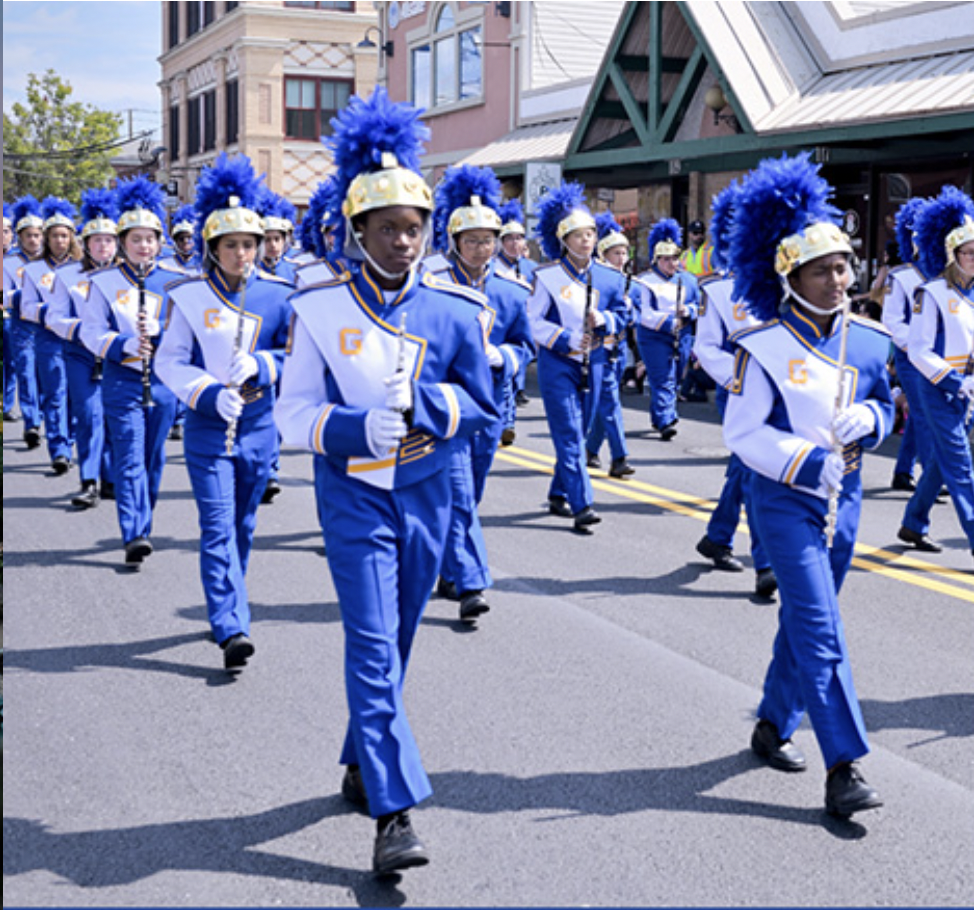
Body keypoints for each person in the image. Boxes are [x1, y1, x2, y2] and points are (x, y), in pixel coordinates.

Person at [274, 87, 498, 875]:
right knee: (371, 644)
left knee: (397, 640)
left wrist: (435, 408)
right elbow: (289, 415)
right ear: (356, 231)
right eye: (389, 228)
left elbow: (486, 403)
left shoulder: (457, 308)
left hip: (429, 490)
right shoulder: (318, 307)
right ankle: (394, 812)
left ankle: (358, 757)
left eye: (416, 228)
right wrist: (347, 428)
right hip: (353, 495)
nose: (406, 242)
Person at [723, 153, 893, 818]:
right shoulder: (762, 346)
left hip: (844, 500)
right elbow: (743, 433)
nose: (837, 279)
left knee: (804, 618)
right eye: (821, 270)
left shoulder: (871, 342)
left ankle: (771, 722)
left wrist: (874, 419)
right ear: (789, 276)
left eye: (844, 266)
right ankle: (844, 765)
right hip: (786, 499)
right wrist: (803, 460)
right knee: (822, 626)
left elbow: (885, 407)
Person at [155, 154, 293, 671]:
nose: (242, 253)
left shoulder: (279, 295)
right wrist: (208, 392)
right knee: (215, 526)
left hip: (259, 425)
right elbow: (169, 360)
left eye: (249, 244)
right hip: (210, 427)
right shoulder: (188, 295)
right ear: (213, 249)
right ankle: (231, 625)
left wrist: (262, 363)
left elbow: (297, 354)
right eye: (231, 245)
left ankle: (229, 595)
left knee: (243, 524)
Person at [430, 164, 535, 621]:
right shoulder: (431, 281)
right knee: (455, 489)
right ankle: (472, 581)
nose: (480, 248)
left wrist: (504, 359)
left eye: (487, 240)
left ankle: (449, 565)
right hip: (446, 402)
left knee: (470, 490)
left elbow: (525, 345)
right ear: (454, 242)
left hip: (490, 401)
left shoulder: (511, 292)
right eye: (470, 240)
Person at [80, 177, 182, 568]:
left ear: (159, 241)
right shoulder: (104, 282)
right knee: (128, 457)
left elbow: (191, 334)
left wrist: (163, 333)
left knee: (153, 459)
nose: (143, 246)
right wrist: (123, 344)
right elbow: (91, 331)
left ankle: (145, 521)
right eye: (135, 239)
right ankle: (133, 532)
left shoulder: (175, 280)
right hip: (123, 380)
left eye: (150, 238)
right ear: (123, 242)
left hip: (163, 380)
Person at [528, 182, 629, 532]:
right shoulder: (547, 276)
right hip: (559, 363)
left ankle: (558, 491)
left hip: (597, 361)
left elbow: (624, 313)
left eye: (590, 234)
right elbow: (533, 321)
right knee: (569, 433)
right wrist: (565, 339)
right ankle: (582, 503)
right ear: (564, 240)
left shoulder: (611, 277)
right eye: (578, 235)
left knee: (581, 430)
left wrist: (606, 320)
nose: (586, 240)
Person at [691, 180, 776, 598]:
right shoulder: (717, 289)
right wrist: (737, 376)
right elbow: (704, 346)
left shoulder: (784, 283)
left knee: (747, 470)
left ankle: (718, 536)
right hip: (741, 391)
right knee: (756, 470)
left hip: (783, 392)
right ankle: (765, 563)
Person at [905, 185, 974, 560]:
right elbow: (918, 350)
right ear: (953, 255)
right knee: (961, 465)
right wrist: (954, 380)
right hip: (939, 387)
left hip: (969, 388)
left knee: (942, 463)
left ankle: (913, 521)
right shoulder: (930, 293)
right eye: (968, 252)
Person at [46, 188, 120, 509]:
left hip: (118, 356)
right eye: (96, 241)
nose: (102, 246)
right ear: (86, 244)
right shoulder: (67, 274)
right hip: (80, 354)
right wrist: (84, 331)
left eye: (108, 240)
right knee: (88, 416)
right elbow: (54, 316)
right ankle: (89, 480)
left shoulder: (126, 276)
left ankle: (111, 478)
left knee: (114, 418)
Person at [880, 198, 946, 551]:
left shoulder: (946, 277)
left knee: (922, 418)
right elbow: (892, 321)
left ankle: (903, 472)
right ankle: (928, 477)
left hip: (943, 360)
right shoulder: (902, 277)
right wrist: (916, 347)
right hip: (911, 357)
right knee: (922, 417)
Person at [19, 196, 83, 475]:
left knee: (75, 395)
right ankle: (59, 449)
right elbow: (26, 307)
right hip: (48, 338)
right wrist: (52, 313)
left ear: (72, 238)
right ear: (47, 238)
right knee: (55, 394)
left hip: (79, 340)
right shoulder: (34, 270)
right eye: (55, 236)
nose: (60, 241)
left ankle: (71, 440)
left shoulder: (84, 269)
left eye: (64, 236)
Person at [632, 218, 700, 440]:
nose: (672, 263)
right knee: (663, 378)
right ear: (657, 260)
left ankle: (658, 414)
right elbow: (645, 314)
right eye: (666, 259)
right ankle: (666, 420)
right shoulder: (645, 282)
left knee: (677, 376)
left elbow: (701, 307)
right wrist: (670, 321)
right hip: (654, 336)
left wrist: (688, 311)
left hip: (683, 335)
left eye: (675, 258)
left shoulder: (689, 280)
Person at [584, 212, 635, 478]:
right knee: (609, 403)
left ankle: (591, 449)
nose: (621, 258)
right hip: (597, 348)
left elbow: (633, 316)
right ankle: (619, 457)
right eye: (615, 253)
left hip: (619, 348)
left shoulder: (631, 283)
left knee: (606, 404)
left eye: (624, 253)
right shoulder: (596, 277)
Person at [3, 197, 45, 448]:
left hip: (47, 329)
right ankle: (31, 423)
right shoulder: (8, 263)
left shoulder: (48, 264)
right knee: (26, 375)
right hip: (21, 326)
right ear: (19, 237)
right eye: (28, 235)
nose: (33, 240)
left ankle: (42, 417)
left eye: (37, 235)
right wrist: (24, 296)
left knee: (45, 377)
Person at [495, 198, 537, 415]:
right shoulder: (492, 267)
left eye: (519, 238)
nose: (514, 243)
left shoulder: (532, 268)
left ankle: (517, 390)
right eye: (509, 239)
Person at [256, 189, 301, 283]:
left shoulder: (297, 269)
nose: (273, 245)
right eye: (267, 240)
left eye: (277, 239)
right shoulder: (252, 269)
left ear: (284, 240)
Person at [3, 203, 17, 421]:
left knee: (10, 362)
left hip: (10, 318)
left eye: (4, 231)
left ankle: (6, 405)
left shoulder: (17, 260)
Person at [160, 206, 203, 274]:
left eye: (189, 237)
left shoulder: (203, 262)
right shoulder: (165, 262)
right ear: (175, 241)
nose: (185, 241)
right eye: (181, 239)